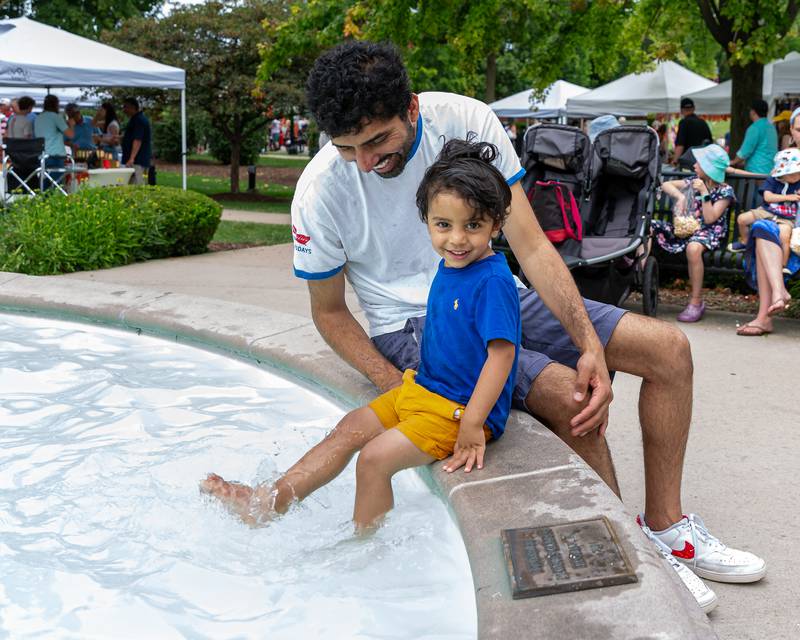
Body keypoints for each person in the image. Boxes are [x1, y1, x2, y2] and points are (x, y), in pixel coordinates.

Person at [217, 42, 766, 610]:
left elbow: (529, 245)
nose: (364, 162)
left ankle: (667, 531)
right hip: (412, 324)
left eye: (376, 141)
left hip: (497, 289)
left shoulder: (464, 120)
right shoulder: (320, 190)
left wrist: (588, 344)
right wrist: (403, 388)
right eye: (347, 147)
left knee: (668, 348)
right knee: (569, 397)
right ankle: (633, 559)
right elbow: (329, 313)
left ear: (410, 109)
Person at [202, 137, 521, 530]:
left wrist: (473, 424)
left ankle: (364, 552)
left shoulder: (492, 280)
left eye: (473, 225)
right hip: (422, 390)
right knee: (350, 427)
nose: (456, 239)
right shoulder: (452, 264)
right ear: (426, 220)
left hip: (456, 411)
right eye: (443, 225)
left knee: (374, 460)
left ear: (497, 222)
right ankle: (269, 502)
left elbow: (502, 355)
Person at [652, 145, 734, 323]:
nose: (695, 165)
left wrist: (704, 193)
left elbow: (711, 218)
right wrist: (681, 197)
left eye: (699, 163)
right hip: (686, 229)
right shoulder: (693, 181)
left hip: (709, 233)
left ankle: (696, 302)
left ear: (709, 168)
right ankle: (637, 275)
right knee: (649, 226)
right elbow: (666, 184)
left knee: (693, 248)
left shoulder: (725, 191)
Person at [728, 148, 800, 269]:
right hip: (767, 210)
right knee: (742, 219)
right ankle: (745, 242)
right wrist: (790, 197)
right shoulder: (773, 180)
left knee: (784, 236)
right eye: (793, 174)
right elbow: (768, 197)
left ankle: (783, 265)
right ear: (782, 173)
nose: (797, 176)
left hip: (788, 217)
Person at [737, 216, 799, 336]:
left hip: (793, 244)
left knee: (766, 244)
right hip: (783, 236)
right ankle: (778, 292)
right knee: (762, 227)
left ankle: (764, 317)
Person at [33, 94, 74, 186]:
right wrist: (71, 124)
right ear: (56, 105)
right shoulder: (56, 117)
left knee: (45, 184)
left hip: (42, 154)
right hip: (55, 154)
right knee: (56, 185)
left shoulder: (38, 118)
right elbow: (70, 135)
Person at [730, 99, 778, 174]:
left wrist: (733, 162)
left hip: (757, 171)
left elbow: (745, 151)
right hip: (771, 169)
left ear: (753, 112)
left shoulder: (754, 128)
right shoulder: (772, 127)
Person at [671, 98, 712, 165]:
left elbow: (680, 145)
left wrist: (675, 161)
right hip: (703, 163)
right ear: (694, 108)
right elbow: (710, 143)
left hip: (688, 162)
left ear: (681, 110)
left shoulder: (684, 122)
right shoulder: (703, 122)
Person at [121, 97, 152, 185]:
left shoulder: (139, 120)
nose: (124, 110)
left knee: (137, 184)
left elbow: (137, 140)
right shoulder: (135, 119)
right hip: (135, 160)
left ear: (132, 107)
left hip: (138, 161)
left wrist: (131, 158)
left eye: (125, 107)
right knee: (131, 184)